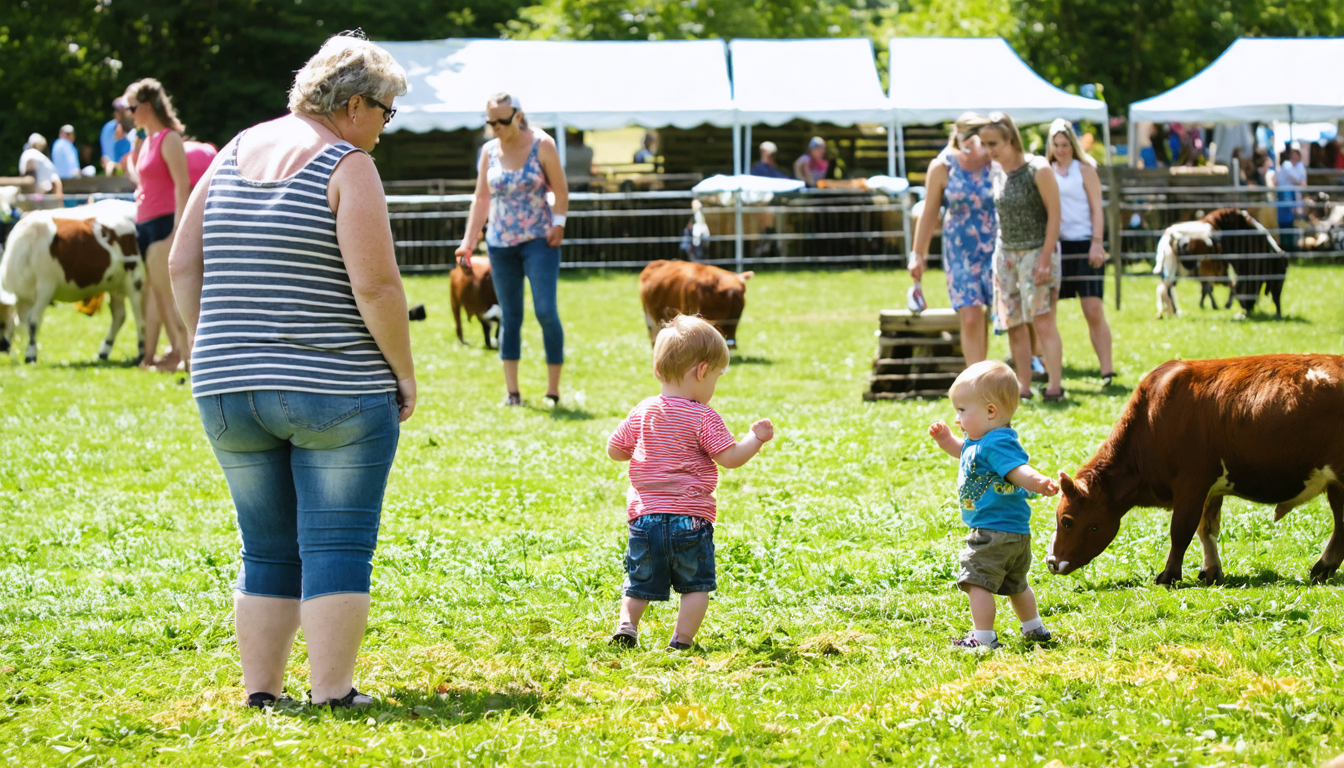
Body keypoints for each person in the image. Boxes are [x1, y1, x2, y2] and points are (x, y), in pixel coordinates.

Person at [167, 31, 414, 710]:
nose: (385, 130)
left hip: (223, 383)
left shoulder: (231, 152)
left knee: (266, 545)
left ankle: (263, 693)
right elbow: (377, 288)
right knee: (337, 541)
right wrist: (405, 372)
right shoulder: (347, 163)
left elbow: (182, 264)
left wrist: (208, 345)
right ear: (356, 104)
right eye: (386, 113)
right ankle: (332, 691)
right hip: (332, 386)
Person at [606, 315, 774, 650]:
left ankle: (627, 626)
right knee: (695, 585)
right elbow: (730, 459)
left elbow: (614, 450)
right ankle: (681, 641)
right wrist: (755, 438)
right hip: (690, 520)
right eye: (715, 377)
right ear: (701, 371)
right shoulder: (703, 416)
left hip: (645, 519)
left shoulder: (643, 411)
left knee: (639, 582)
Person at [927, 360, 1059, 650]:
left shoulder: (996, 443)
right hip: (1015, 532)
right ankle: (1034, 628)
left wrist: (1037, 482)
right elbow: (965, 453)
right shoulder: (981, 442)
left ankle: (983, 637)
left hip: (992, 532)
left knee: (976, 581)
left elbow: (1018, 469)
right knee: (1017, 585)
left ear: (990, 411)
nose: (957, 418)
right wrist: (946, 438)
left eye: (962, 410)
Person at [455, 94, 568, 406]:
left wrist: (559, 222)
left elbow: (560, 188)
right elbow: (481, 199)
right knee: (510, 315)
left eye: (502, 121)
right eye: (491, 122)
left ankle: (553, 392)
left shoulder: (542, 145)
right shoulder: (488, 151)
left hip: (539, 241)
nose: (496, 127)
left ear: (518, 116)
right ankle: (513, 393)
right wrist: (469, 240)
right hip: (500, 243)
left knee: (545, 311)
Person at [970, 112, 1064, 401]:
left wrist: (1045, 259)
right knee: (1013, 323)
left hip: (1037, 252)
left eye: (993, 142)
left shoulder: (1038, 168)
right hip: (1006, 254)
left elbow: (1055, 216)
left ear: (1011, 139)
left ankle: (1054, 385)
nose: (988, 149)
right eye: (984, 143)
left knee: (1042, 320)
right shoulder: (996, 171)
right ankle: (1022, 386)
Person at [908, 113, 996, 366]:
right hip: (960, 250)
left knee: (993, 314)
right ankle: (976, 380)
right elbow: (929, 212)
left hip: (995, 246)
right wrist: (918, 254)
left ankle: (992, 375)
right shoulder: (943, 166)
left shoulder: (995, 161)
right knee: (970, 316)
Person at [124, 77, 196, 372]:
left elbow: (183, 187)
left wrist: (179, 230)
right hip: (145, 222)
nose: (130, 114)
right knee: (155, 293)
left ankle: (186, 356)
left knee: (168, 297)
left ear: (148, 105)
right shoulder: (148, 140)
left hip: (166, 223)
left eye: (132, 108)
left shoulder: (169, 138)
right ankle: (167, 353)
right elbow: (141, 179)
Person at [1047, 119, 1114, 386]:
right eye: (1056, 144)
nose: (1061, 149)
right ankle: (1046, 366)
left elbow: (1097, 208)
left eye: (1065, 144)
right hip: (1057, 246)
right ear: (1050, 146)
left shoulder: (1085, 170)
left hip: (1085, 242)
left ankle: (1107, 370)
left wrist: (1097, 242)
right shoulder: (1045, 171)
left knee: (1093, 308)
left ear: (1073, 145)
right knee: (1046, 310)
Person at [100, 98, 134, 175]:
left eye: (122, 111)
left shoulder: (138, 128)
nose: (118, 113)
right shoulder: (108, 128)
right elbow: (106, 154)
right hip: (115, 173)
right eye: (117, 110)